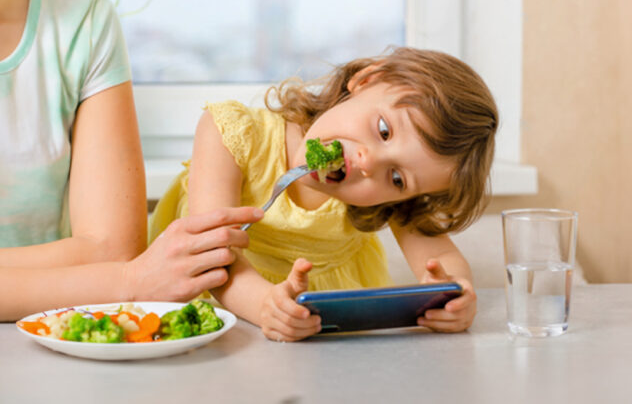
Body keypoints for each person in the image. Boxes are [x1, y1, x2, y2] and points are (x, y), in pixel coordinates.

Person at [150, 47, 498, 342]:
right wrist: (264, 305)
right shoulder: (233, 134)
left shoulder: (389, 200)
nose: (368, 163)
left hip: (325, 333)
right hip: (219, 312)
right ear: (365, 80)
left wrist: (456, 294)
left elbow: (440, 256)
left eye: (396, 177)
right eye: (383, 130)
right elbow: (211, 254)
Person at [0, 0, 257, 321]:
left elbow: (112, 251)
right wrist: (122, 282)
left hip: (61, 332)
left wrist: (121, 276)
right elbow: (123, 272)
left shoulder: (82, 22)